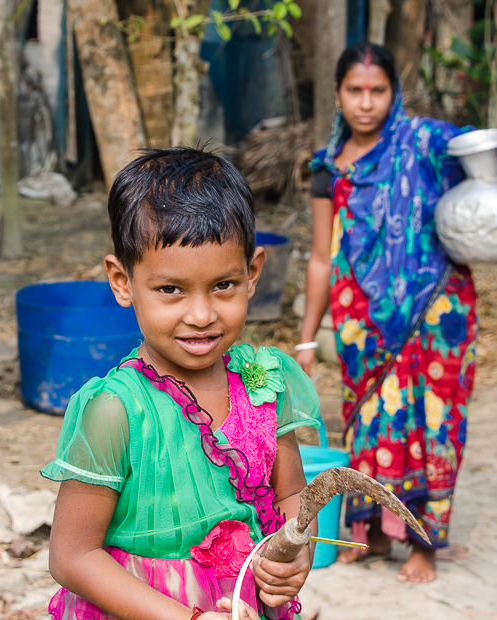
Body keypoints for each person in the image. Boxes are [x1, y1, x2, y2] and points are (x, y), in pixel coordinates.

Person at [43, 147, 323, 620]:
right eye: (170, 289)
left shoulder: (266, 385)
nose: (201, 315)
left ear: (253, 273)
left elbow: (292, 495)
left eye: (224, 285)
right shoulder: (115, 411)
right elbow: (71, 557)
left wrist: (296, 556)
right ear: (122, 280)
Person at [296, 42, 497, 583]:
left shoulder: (428, 142)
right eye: (354, 91)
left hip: (438, 307)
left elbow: (493, 163)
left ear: (393, 92)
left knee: (435, 426)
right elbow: (317, 257)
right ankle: (376, 533)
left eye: (377, 90)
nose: (366, 103)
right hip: (363, 319)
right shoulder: (326, 169)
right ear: (337, 94)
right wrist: (307, 338)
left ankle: (426, 544)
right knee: (372, 426)